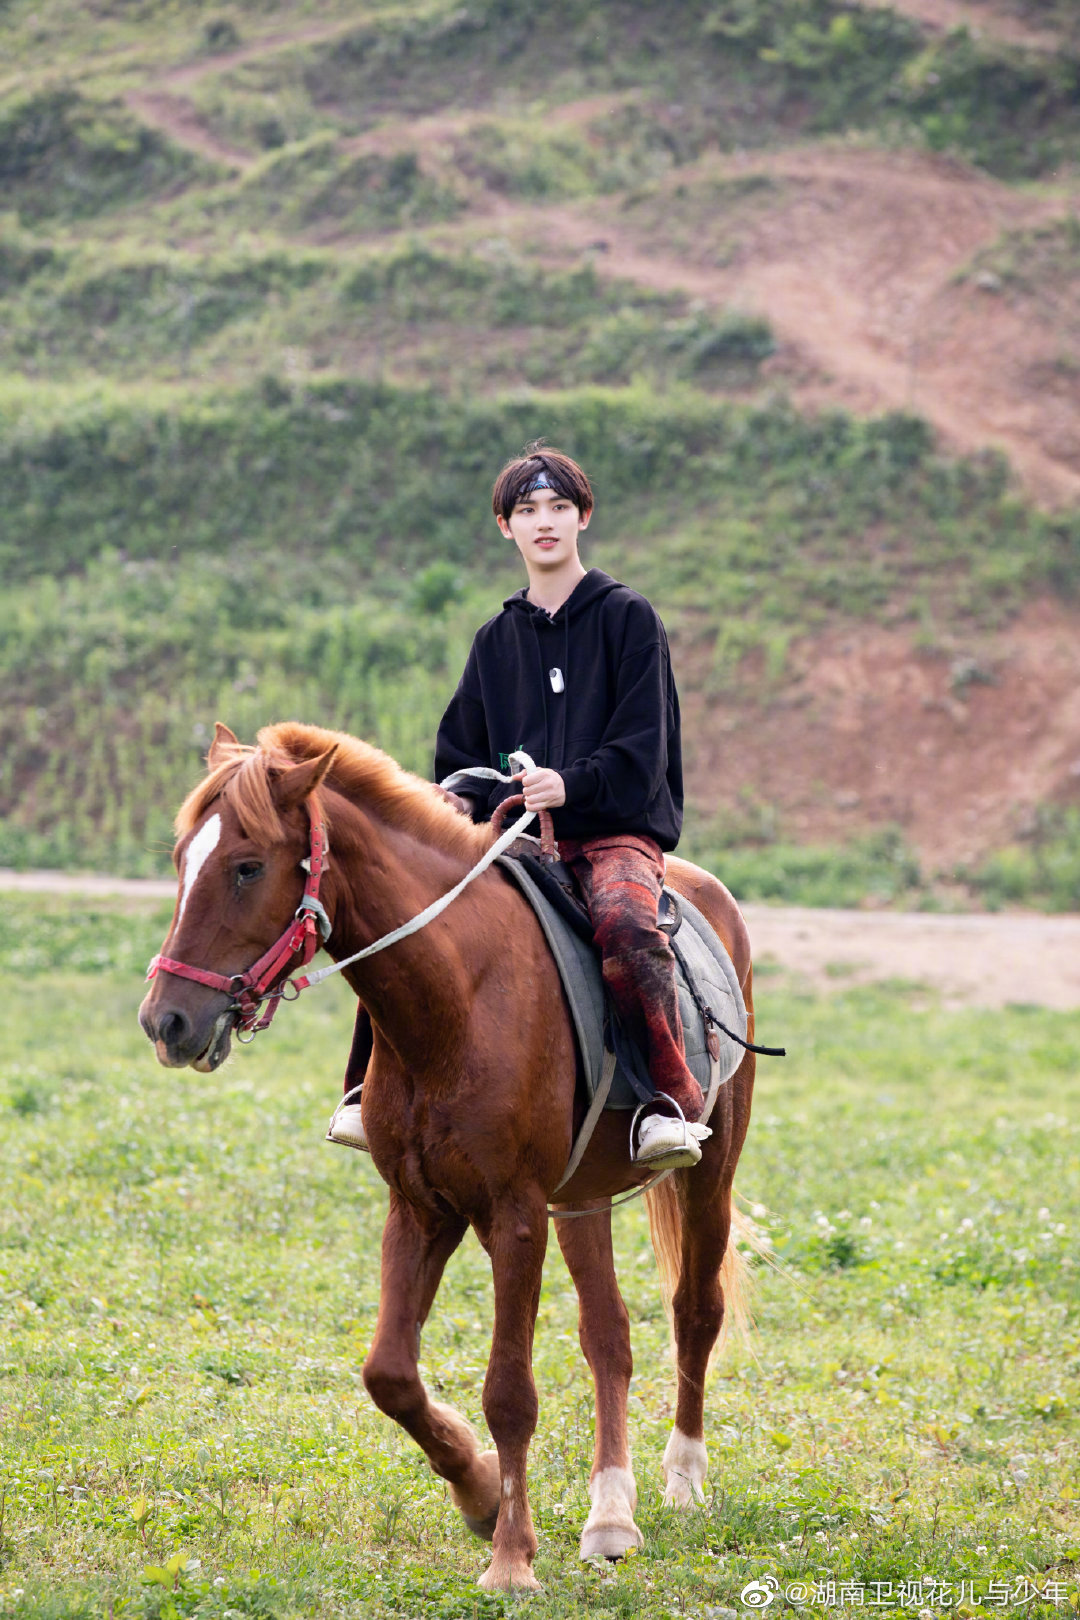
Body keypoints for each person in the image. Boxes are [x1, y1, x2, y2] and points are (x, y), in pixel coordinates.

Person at [328, 444, 708, 1171]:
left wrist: (573, 784)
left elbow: (642, 747)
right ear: (505, 526)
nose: (545, 522)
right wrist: (457, 795)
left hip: (611, 834)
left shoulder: (628, 619)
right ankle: (362, 1094)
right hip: (517, 840)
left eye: (559, 508)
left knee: (627, 925)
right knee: (405, 916)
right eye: (527, 510)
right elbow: (462, 753)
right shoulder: (495, 641)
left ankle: (668, 1101)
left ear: (583, 517)